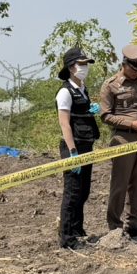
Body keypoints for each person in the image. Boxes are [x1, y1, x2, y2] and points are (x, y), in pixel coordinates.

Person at [99, 44, 137, 236]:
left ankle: (135, 222)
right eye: (134, 69)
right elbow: (105, 116)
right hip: (122, 138)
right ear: (124, 64)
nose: (136, 73)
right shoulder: (110, 85)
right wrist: (131, 124)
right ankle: (115, 227)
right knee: (120, 183)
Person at [56, 47, 101, 249]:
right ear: (71, 67)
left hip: (86, 144)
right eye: (81, 64)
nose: (85, 68)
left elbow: (81, 114)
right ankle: (67, 238)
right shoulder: (65, 92)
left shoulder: (82, 88)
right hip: (73, 147)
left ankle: (77, 229)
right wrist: (72, 153)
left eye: (86, 64)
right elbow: (65, 124)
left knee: (83, 191)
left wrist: (93, 110)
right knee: (72, 193)